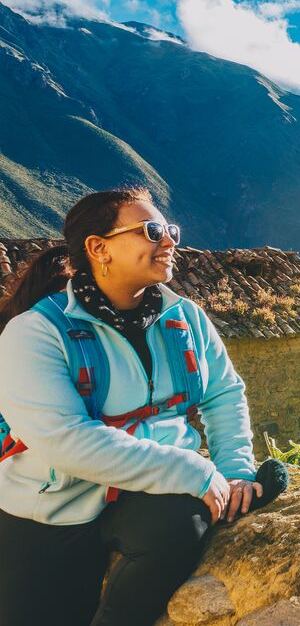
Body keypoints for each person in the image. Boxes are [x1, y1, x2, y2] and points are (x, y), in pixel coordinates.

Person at [0, 188, 262, 626]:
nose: (170, 241)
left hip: (142, 491)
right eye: (151, 231)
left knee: (184, 520)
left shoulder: (186, 319)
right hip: (51, 506)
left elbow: (223, 393)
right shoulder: (36, 333)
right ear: (98, 248)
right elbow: (65, 440)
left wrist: (235, 469)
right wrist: (194, 470)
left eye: (170, 230)